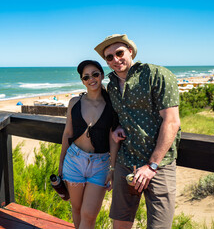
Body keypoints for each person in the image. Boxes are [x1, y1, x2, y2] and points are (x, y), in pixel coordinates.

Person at [94, 34, 181, 229]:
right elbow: (118, 121)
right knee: (120, 224)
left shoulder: (157, 75)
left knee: (159, 226)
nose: (115, 60)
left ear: (130, 51)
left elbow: (172, 121)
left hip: (159, 165)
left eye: (119, 53)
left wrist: (152, 166)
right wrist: (116, 132)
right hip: (126, 162)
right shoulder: (112, 86)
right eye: (109, 57)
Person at [58, 60, 119, 229]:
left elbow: (113, 140)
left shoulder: (111, 105)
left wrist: (112, 169)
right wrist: (61, 163)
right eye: (86, 77)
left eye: (95, 74)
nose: (91, 79)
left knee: (89, 215)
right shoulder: (74, 103)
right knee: (76, 209)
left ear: (102, 75)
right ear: (82, 81)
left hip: (100, 164)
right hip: (74, 160)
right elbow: (67, 134)